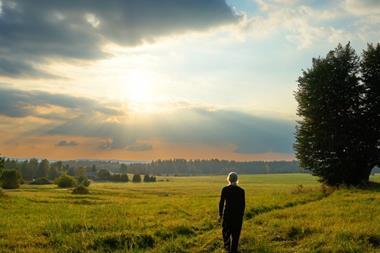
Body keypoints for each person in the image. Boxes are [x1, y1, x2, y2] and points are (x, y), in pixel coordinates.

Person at [219, 172, 245, 253]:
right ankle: (234, 250)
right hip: (237, 216)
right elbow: (243, 205)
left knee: (226, 233)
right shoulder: (241, 191)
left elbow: (221, 203)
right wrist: (241, 216)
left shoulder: (225, 189)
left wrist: (220, 214)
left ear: (228, 179)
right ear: (237, 179)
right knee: (236, 235)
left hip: (227, 215)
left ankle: (227, 249)